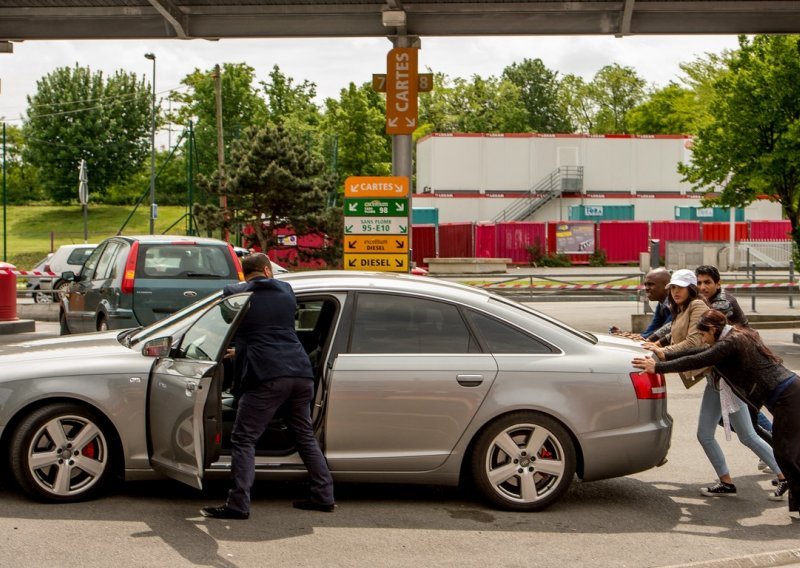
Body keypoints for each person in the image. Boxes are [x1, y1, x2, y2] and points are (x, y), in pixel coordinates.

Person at [201, 253, 335, 519]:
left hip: (266, 376)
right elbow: (270, 328)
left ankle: (238, 504)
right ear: (266, 269)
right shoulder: (286, 290)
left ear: (244, 274)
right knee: (304, 435)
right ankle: (324, 495)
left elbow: (242, 318)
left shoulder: (236, 292)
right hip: (299, 372)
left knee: (243, 438)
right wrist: (240, 351)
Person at [633, 309, 797, 514]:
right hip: (777, 395)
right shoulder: (731, 335)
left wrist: (657, 367)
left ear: (712, 329)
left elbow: (699, 359)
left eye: (703, 334)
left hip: (786, 394)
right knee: (783, 451)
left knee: (784, 451)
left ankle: (789, 486)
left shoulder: (731, 342)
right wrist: (665, 353)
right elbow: (699, 352)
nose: (702, 338)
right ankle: (785, 494)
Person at [695, 264, 774, 453]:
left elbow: (700, 328)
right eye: (699, 283)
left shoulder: (722, 303)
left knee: (745, 421)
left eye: (707, 282)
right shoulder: (705, 299)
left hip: (746, 363)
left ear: (718, 283)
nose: (702, 287)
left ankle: (777, 451)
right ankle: (773, 449)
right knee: (738, 418)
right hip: (734, 362)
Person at [610, 267, 672, 340]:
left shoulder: (676, 305)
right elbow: (653, 328)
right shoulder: (662, 304)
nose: (646, 288)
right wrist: (636, 336)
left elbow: (664, 331)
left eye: (651, 284)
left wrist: (642, 337)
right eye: (645, 285)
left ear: (666, 285)